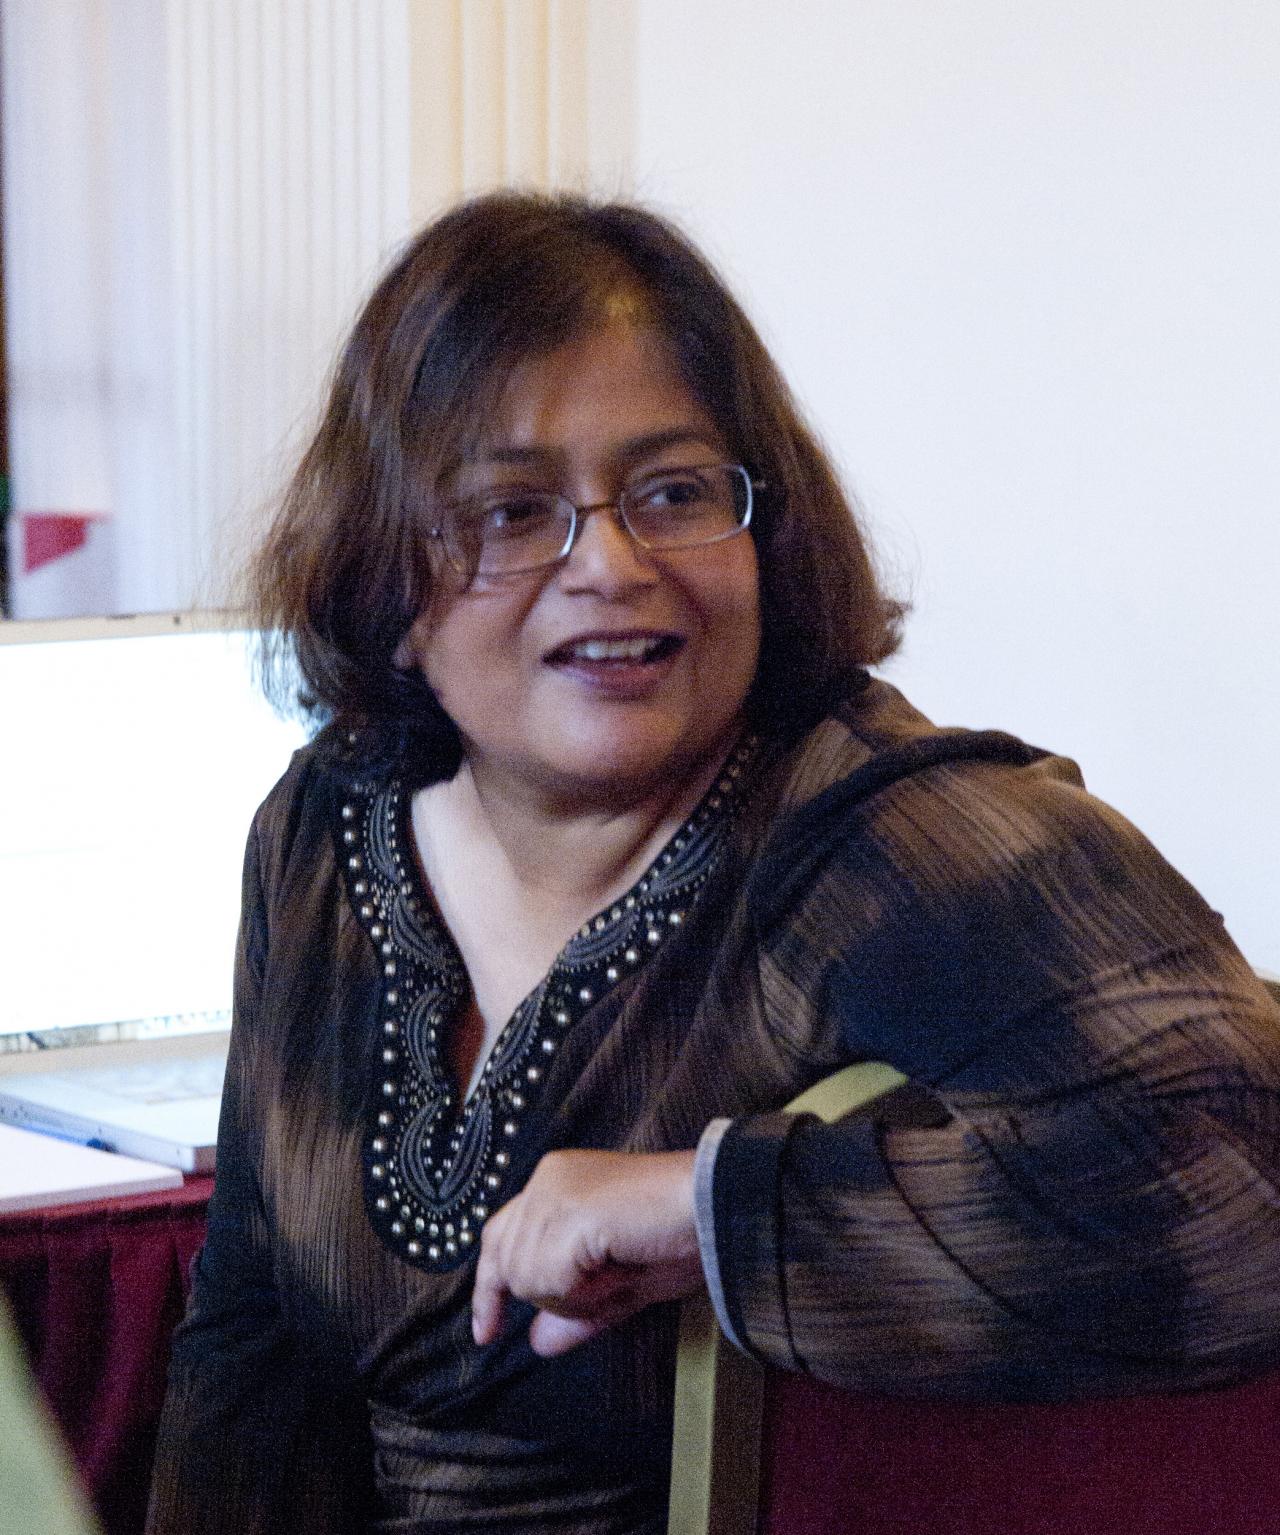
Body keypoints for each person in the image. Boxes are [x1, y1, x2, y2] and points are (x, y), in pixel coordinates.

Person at [146, 191, 1280, 1535]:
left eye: (674, 492)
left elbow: (1241, 1181)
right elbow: (250, 1345)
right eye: (513, 512)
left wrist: (707, 1208)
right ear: (386, 573)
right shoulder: (325, 830)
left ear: (764, 529)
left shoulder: (882, 833)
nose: (611, 564)